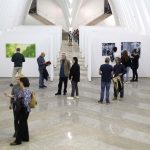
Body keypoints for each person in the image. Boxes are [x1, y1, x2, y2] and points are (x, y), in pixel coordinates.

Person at [4, 74, 23, 138]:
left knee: (21, 120)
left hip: (21, 106)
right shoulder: (14, 86)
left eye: (18, 78)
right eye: (16, 78)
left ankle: (21, 132)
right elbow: (12, 95)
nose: (17, 79)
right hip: (15, 105)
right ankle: (16, 131)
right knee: (15, 119)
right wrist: (11, 104)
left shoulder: (23, 87)